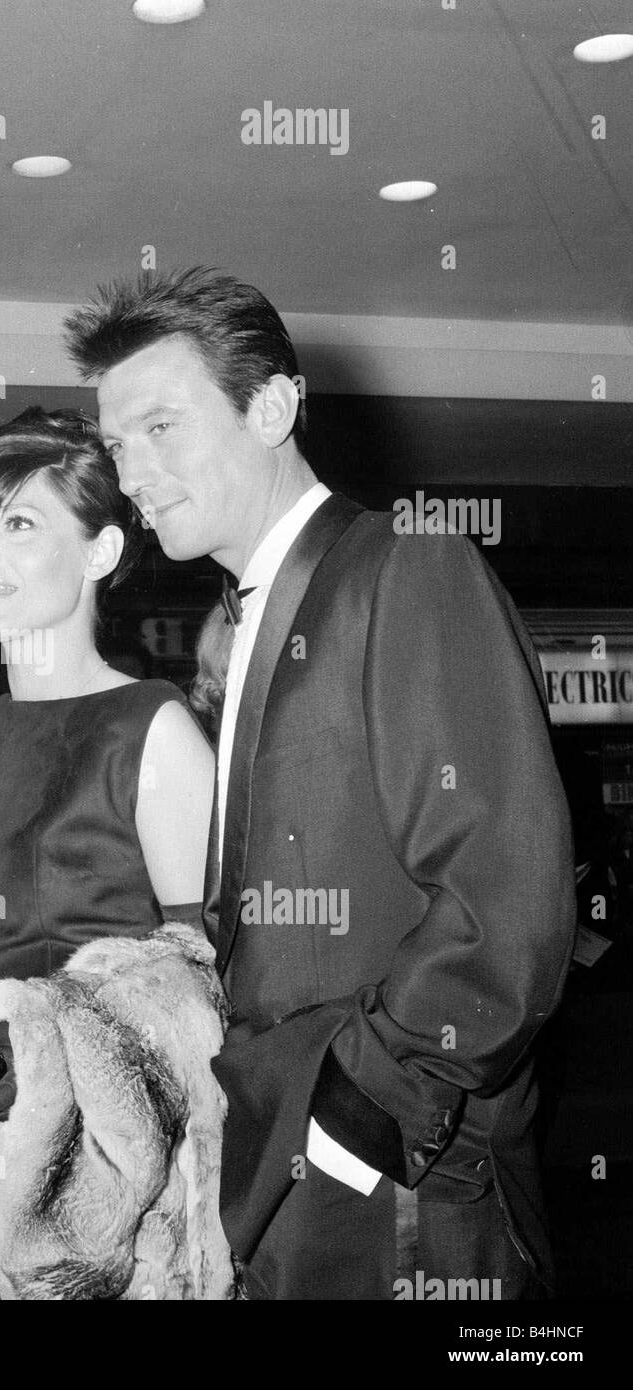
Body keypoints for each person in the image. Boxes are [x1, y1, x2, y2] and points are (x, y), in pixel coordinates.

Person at [67, 266, 576, 1300]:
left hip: (396, 1185)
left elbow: (505, 903)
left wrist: (352, 1126)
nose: (134, 472)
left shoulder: (405, 564)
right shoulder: (252, 612)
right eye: (120, 445)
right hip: (291, 1179)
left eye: (162, 427)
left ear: (273, 406)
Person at [0, 406, 218, 1297]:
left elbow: (207, 988)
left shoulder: (152, 728)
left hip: (105, 1194)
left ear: (104, 552)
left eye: (19, 525)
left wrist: (33, 1033)